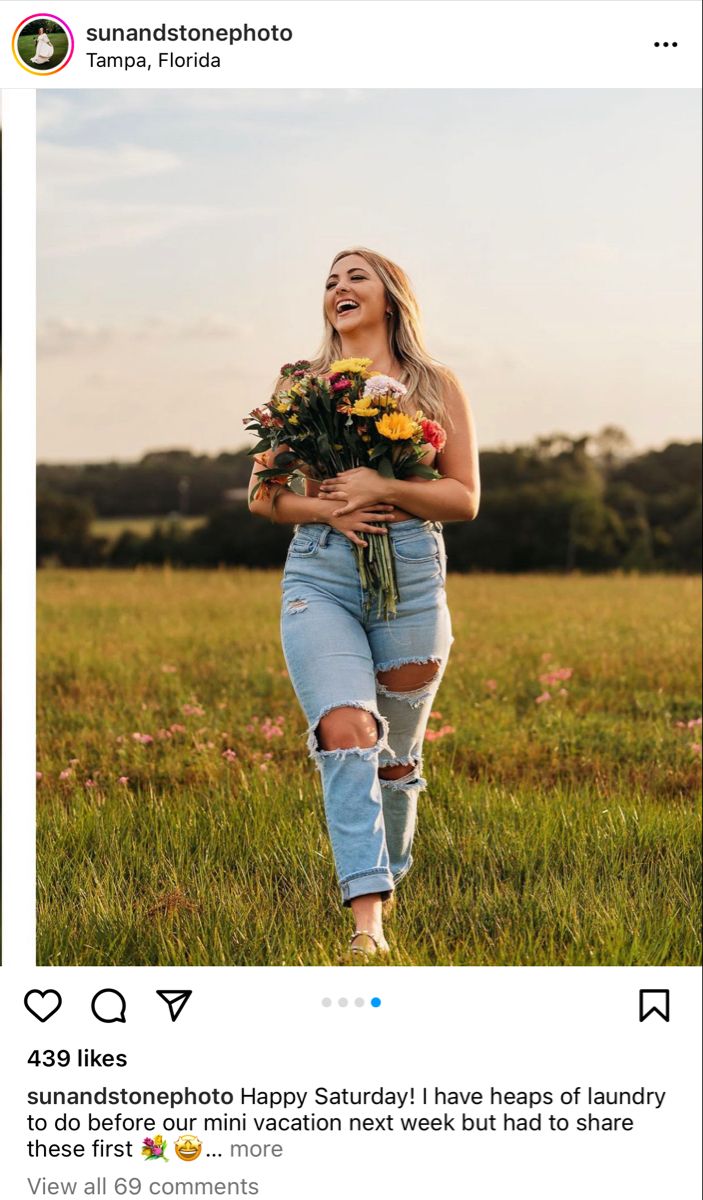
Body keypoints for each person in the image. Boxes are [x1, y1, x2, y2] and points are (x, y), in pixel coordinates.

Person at [248, 247, 480, 958]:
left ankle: (385, 872)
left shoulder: (433, 383)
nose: (338, 288)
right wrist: (323, 512)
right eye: (328, 281)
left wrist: (381, 488)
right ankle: (366, 925)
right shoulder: (299, 386)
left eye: (355, 277)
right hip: (318, 578)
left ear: (389, 298)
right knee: (347, 731)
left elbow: (463, 499)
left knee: (394, 763)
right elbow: (262, 495)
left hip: (408, 575)